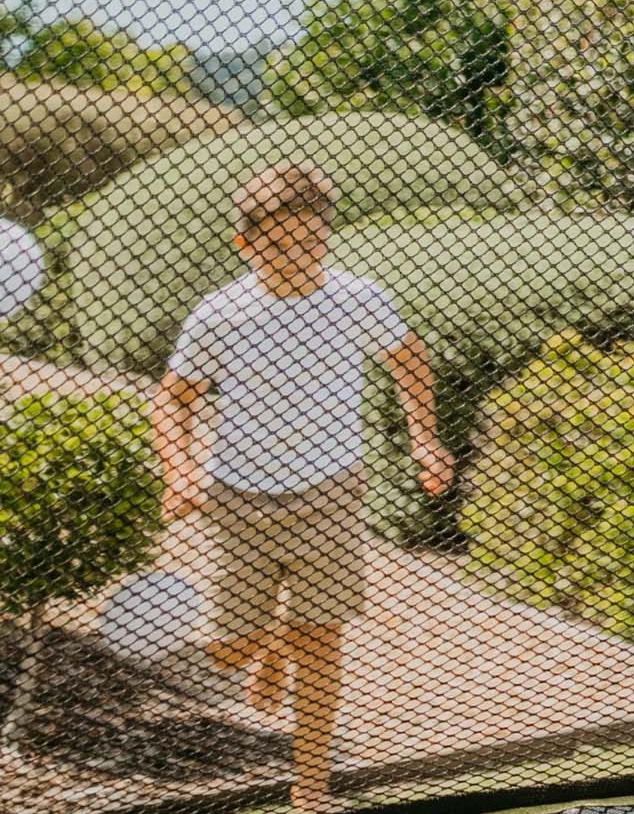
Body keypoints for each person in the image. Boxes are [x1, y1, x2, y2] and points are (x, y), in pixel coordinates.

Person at [147, 163, 451, 814]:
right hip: (238, 501)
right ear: (245, 245)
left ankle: (309, 788)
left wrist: (425, 438)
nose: (298, 258)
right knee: (228, 654)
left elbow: (409, 358)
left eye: (311, 244)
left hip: (331, 490)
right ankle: (271, 641)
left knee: (324, 638)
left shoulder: (356, 299)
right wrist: (180, 472)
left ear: (327, 238)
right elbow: (171, 401)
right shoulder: (220, 314)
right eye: (280, 246)